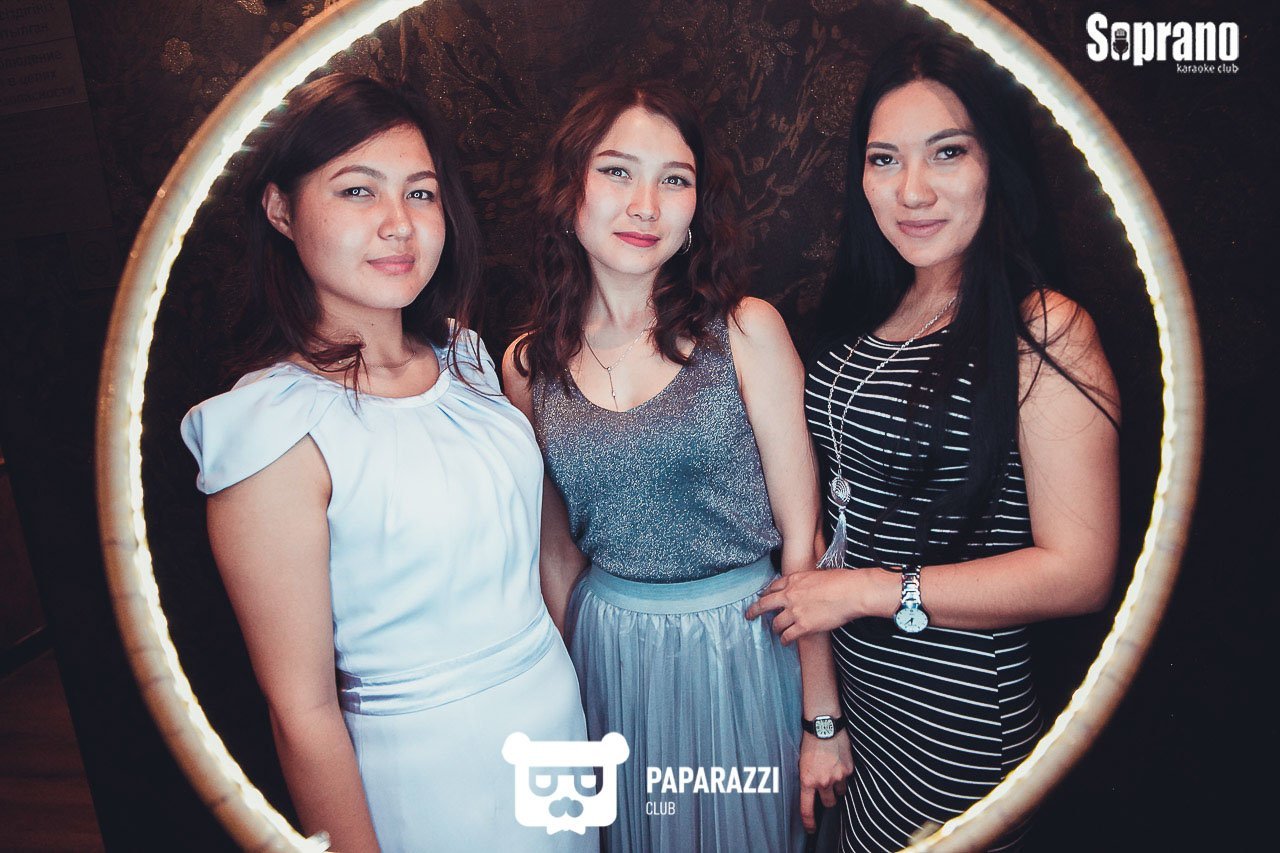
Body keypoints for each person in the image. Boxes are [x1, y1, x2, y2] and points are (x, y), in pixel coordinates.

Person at [179, 74, 594, 853]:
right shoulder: (269, 428)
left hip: (557, 727)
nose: (399, 223)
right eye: (358, 190)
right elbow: (301, 713)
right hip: (431, 775)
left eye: (421, 193)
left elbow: (543, 555)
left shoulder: (465, 357)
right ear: (281, 210)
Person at [746, 33, 1121, 852]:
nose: (911, 190)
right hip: (867, 712)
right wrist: (823, 713)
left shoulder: (1042, 328)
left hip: (958, 728)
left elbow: (1080, 571)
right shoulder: (869, 310)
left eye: (947, 152)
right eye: (884, 160)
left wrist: (873, 592)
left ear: (996, 164)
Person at [503, 81, 853, 852]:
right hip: (608, 656)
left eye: (674, 179)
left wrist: (821, 717)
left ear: (697, 206)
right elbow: (555, 553)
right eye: (617, 171)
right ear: (569, 189)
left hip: (743, 647)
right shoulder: (529, 364)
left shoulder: (746, 331)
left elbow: (804, 543)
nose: (646, 205)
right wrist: (567, 709)